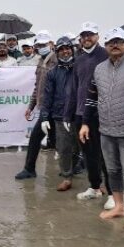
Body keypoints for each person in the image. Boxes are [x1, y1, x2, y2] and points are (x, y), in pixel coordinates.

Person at [79, 27, 124, 232]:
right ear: (105, 45)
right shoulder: (99, 68)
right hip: (106, 130)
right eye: (111, 42)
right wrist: (85, 123)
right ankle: (119, 207)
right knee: (112, 171)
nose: (115, 45)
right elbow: (92, 98)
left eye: (119, 41)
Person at [64, 22, 114, 210]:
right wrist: (69, 114)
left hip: (101, 114)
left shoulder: (106, 55)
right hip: (80, 113)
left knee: (105, 155)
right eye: (83, 35)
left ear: (98, 36)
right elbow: (75, 88)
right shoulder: (79, 59)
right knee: (88, 154)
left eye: (90, 35)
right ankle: (94, 187)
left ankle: (112, 193)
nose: (87, 38)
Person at [15, 31, 58, 179]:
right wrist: (31, 107)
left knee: (37, 138)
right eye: (38, 45)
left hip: (53, 108)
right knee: (56, 140)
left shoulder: (56, 61)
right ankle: (76, 166)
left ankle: (29, 169)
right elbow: (37, 87)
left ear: (51, 44)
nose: (41, 47)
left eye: (43, 44)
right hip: (44, 108)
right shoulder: (41, 61)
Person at [40, 37, 75, 191]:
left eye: (67, 48)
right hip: (60, 115)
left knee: (89, 149)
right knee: (64, 148)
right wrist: (44, 117)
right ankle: (67, 176)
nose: (65, 52)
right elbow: (47, 96)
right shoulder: (52, 72)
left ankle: (98, 182)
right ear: (57, 52)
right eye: (61, 49)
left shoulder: (80, 67)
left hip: (80, 114)